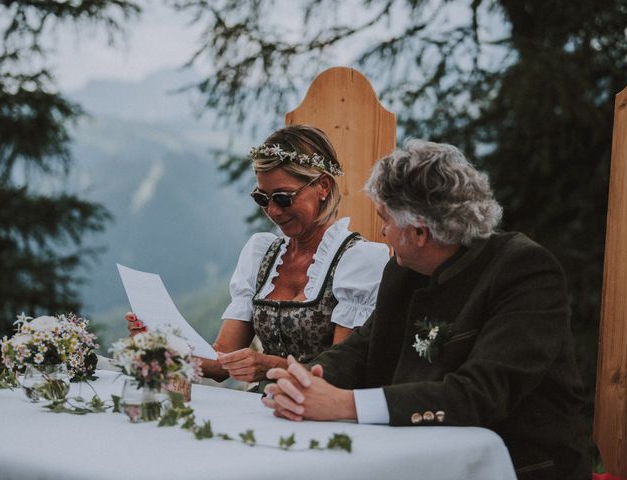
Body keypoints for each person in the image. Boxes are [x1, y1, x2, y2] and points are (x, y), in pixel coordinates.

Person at [262, 139, 590, 480]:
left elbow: (481, 393)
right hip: (411, 457)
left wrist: (344, 405)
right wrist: (307, 379)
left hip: (510, 467)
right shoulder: (403, 270)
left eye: (385, 219)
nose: (381, 231)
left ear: (418, 232)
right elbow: (364, 345)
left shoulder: (526, 272)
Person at [127, 125, 389, 386]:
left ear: (322, 186)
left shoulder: (359, 261)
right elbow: (221, 361)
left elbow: (344, 372)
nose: (273, 211)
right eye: (262, 199)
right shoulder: (262, 254)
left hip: (322, 413)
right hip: (266, 408)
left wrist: (272, 366)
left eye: (283, 198)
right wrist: (161, 346)